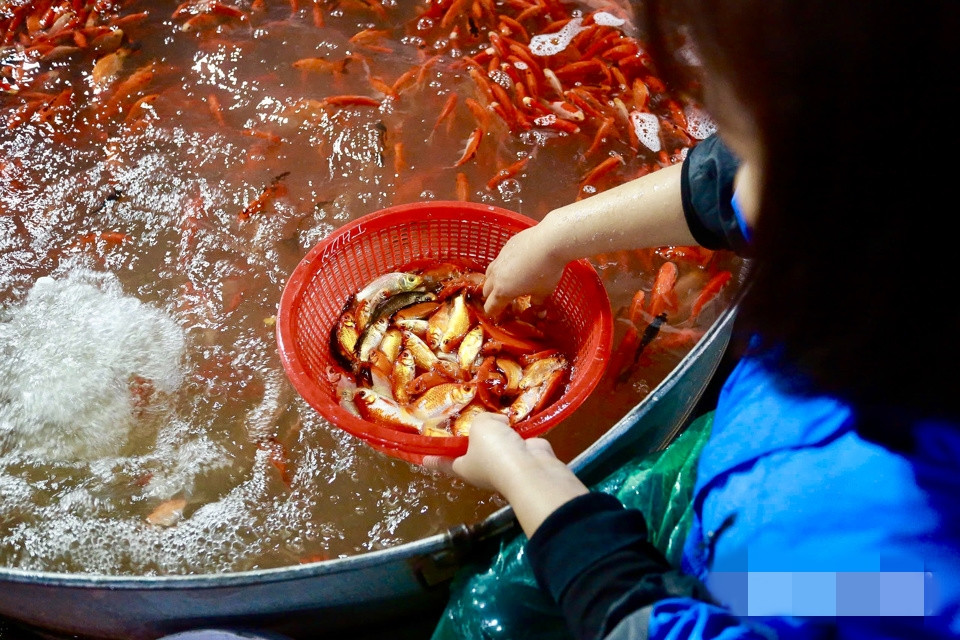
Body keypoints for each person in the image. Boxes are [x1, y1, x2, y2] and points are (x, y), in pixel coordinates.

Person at [423, 0, 960, 638]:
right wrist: (557, 235)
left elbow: (659, 627)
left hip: (774, 569)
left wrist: (530, 478)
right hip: (744, 482)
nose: (737, 185)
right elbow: (737, 187)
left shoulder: (883, 563)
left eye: (751, 147)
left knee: (480, 622)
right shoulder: (893, 222)